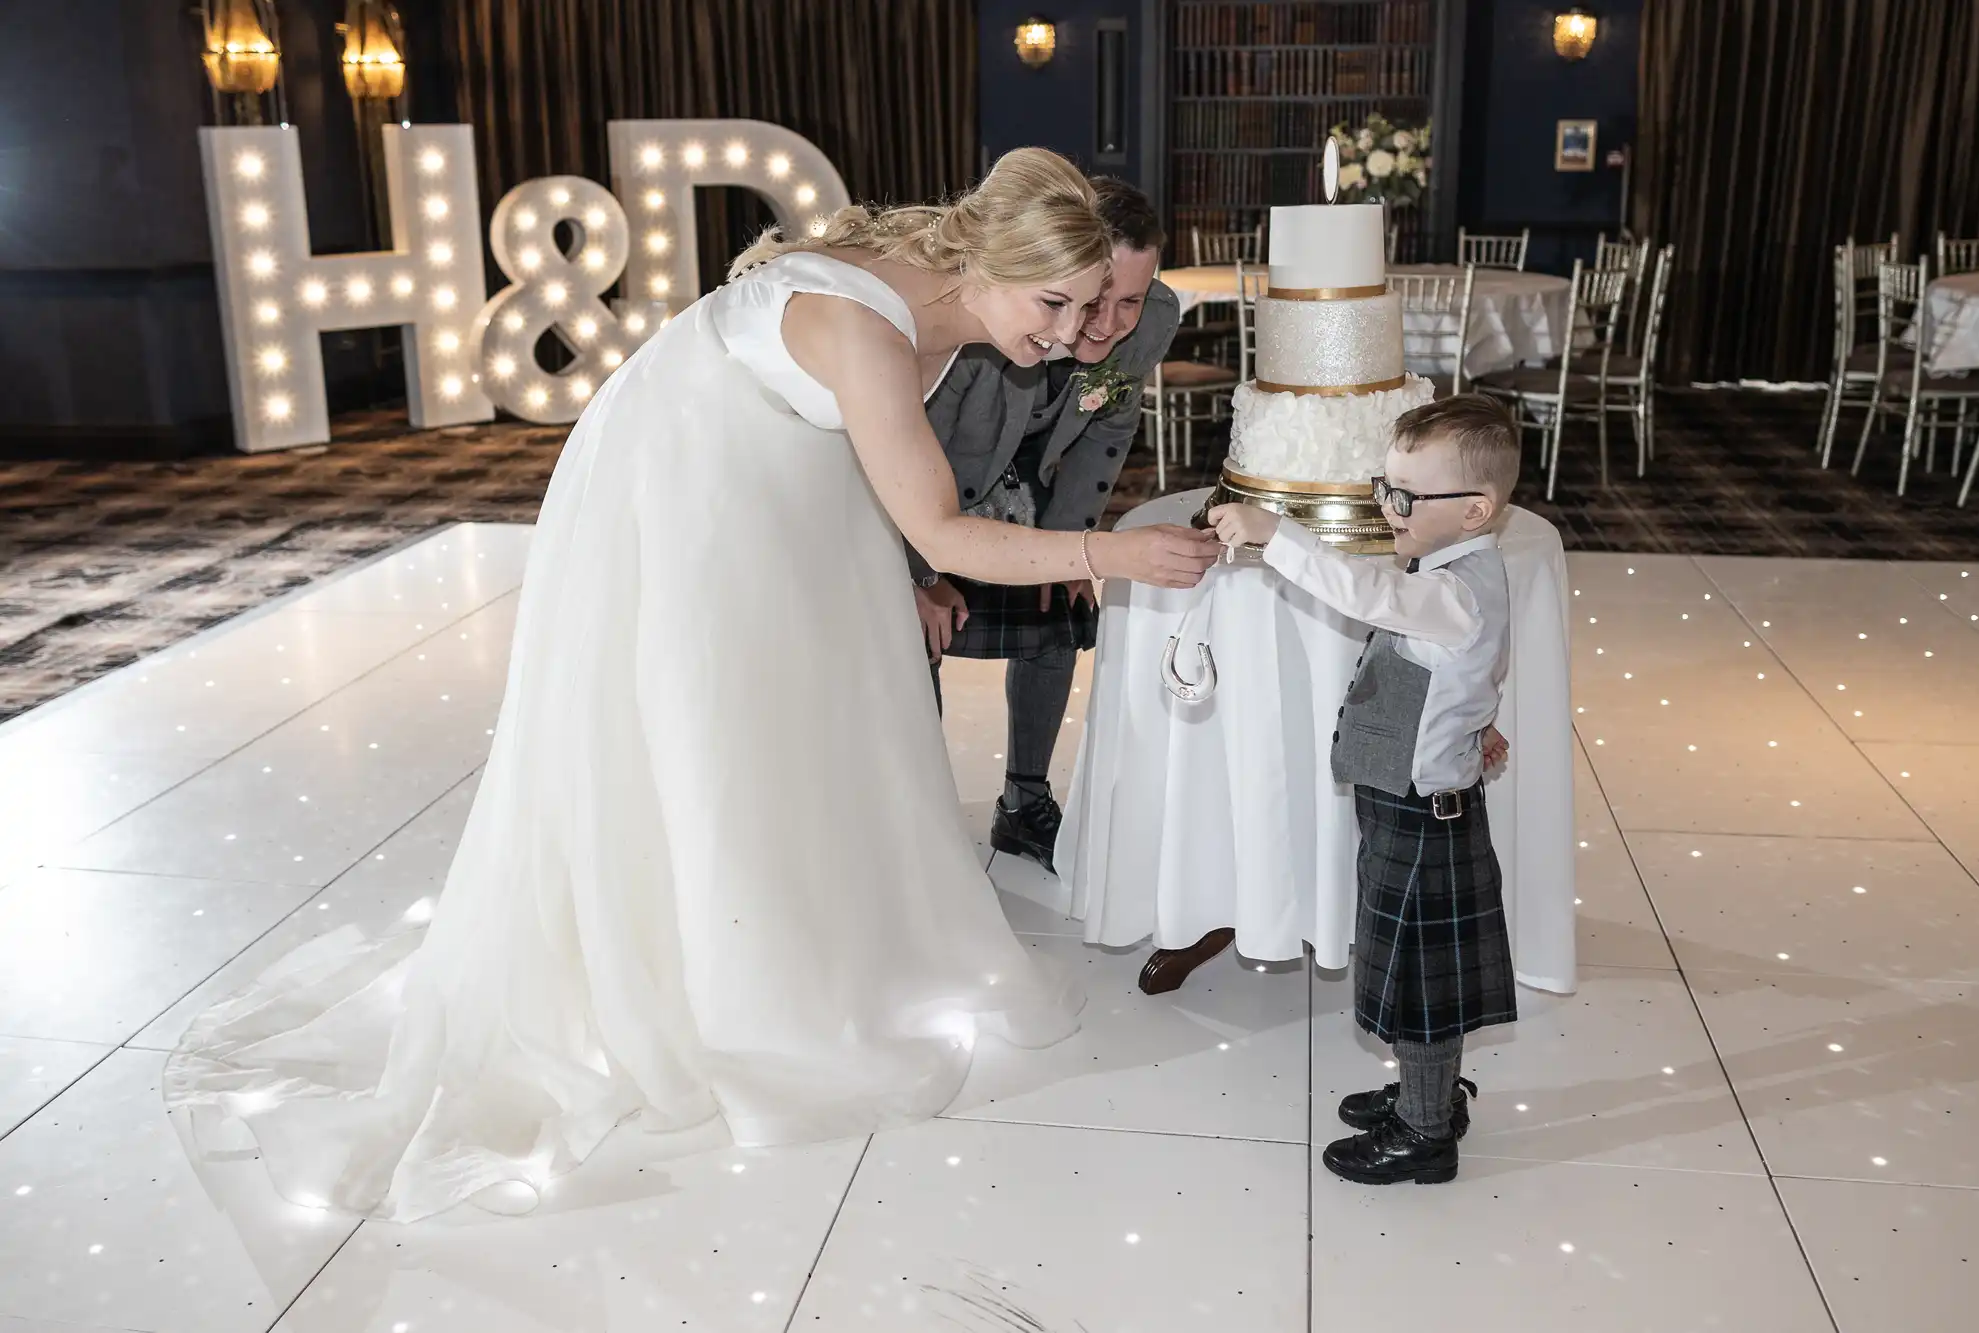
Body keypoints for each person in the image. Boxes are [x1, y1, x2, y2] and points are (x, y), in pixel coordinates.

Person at [164, 149, 1219, 1223]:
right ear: (990, 260)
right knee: (717, 715)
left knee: (829, 705)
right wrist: (1110, 556)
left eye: (1085, 309)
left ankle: (801, 936)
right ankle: (707, 973)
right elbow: (940, 519)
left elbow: (886, 467)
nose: (1060, 335)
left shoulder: (944, 276)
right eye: (1052, 305)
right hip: (683, 475)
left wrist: (912, 568)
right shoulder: (861, 326)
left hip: (785, 468)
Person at [1209, 394, 1522, 1186]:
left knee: (1417, 982)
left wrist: (1280, 534)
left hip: (1424, 816)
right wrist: (1472, 722)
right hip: (1409, 803)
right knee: (1413, 969)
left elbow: (1368, 596)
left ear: (1476, 510)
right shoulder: (1454, 570)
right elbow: (1473, 666)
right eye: (1384, 486)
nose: (1388, 507)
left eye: (1407, 496)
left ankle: (1424, 1132)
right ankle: (1429, 1096)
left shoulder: (1455, 589)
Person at [915, 178, 1178, 872]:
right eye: (1098, 298)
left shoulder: (1149, 322)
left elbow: (1109, 429)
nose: (1109, 322)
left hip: (1037, 473)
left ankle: (1023, 802)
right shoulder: (984, 316)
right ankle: (921, 814)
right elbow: (920, 440)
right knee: (916, 631)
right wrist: (922, 575)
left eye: (1131, 299)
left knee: (1056, 612)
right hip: (937, 475)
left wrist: (1074, 553)